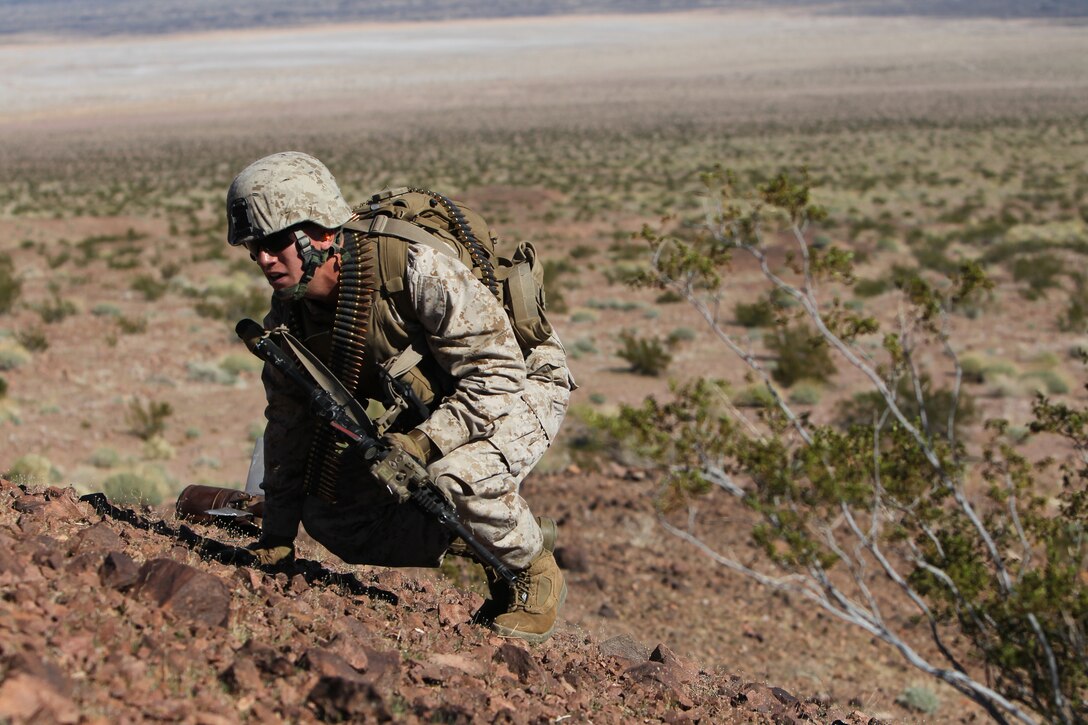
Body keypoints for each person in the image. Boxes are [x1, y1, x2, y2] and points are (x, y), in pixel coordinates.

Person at [225, 151, 574, 643]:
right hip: (446, 398)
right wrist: (277, 538)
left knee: (455, 477)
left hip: (523, 380)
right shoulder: (290, 321)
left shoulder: (413, 266)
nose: (263, 259)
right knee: (330, 512)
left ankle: (533, 569)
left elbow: (496, 372)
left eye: (276, 242)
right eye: (253, 247)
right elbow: (287, 427)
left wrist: (423, 444)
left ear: (322, 231)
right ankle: (490, 533)